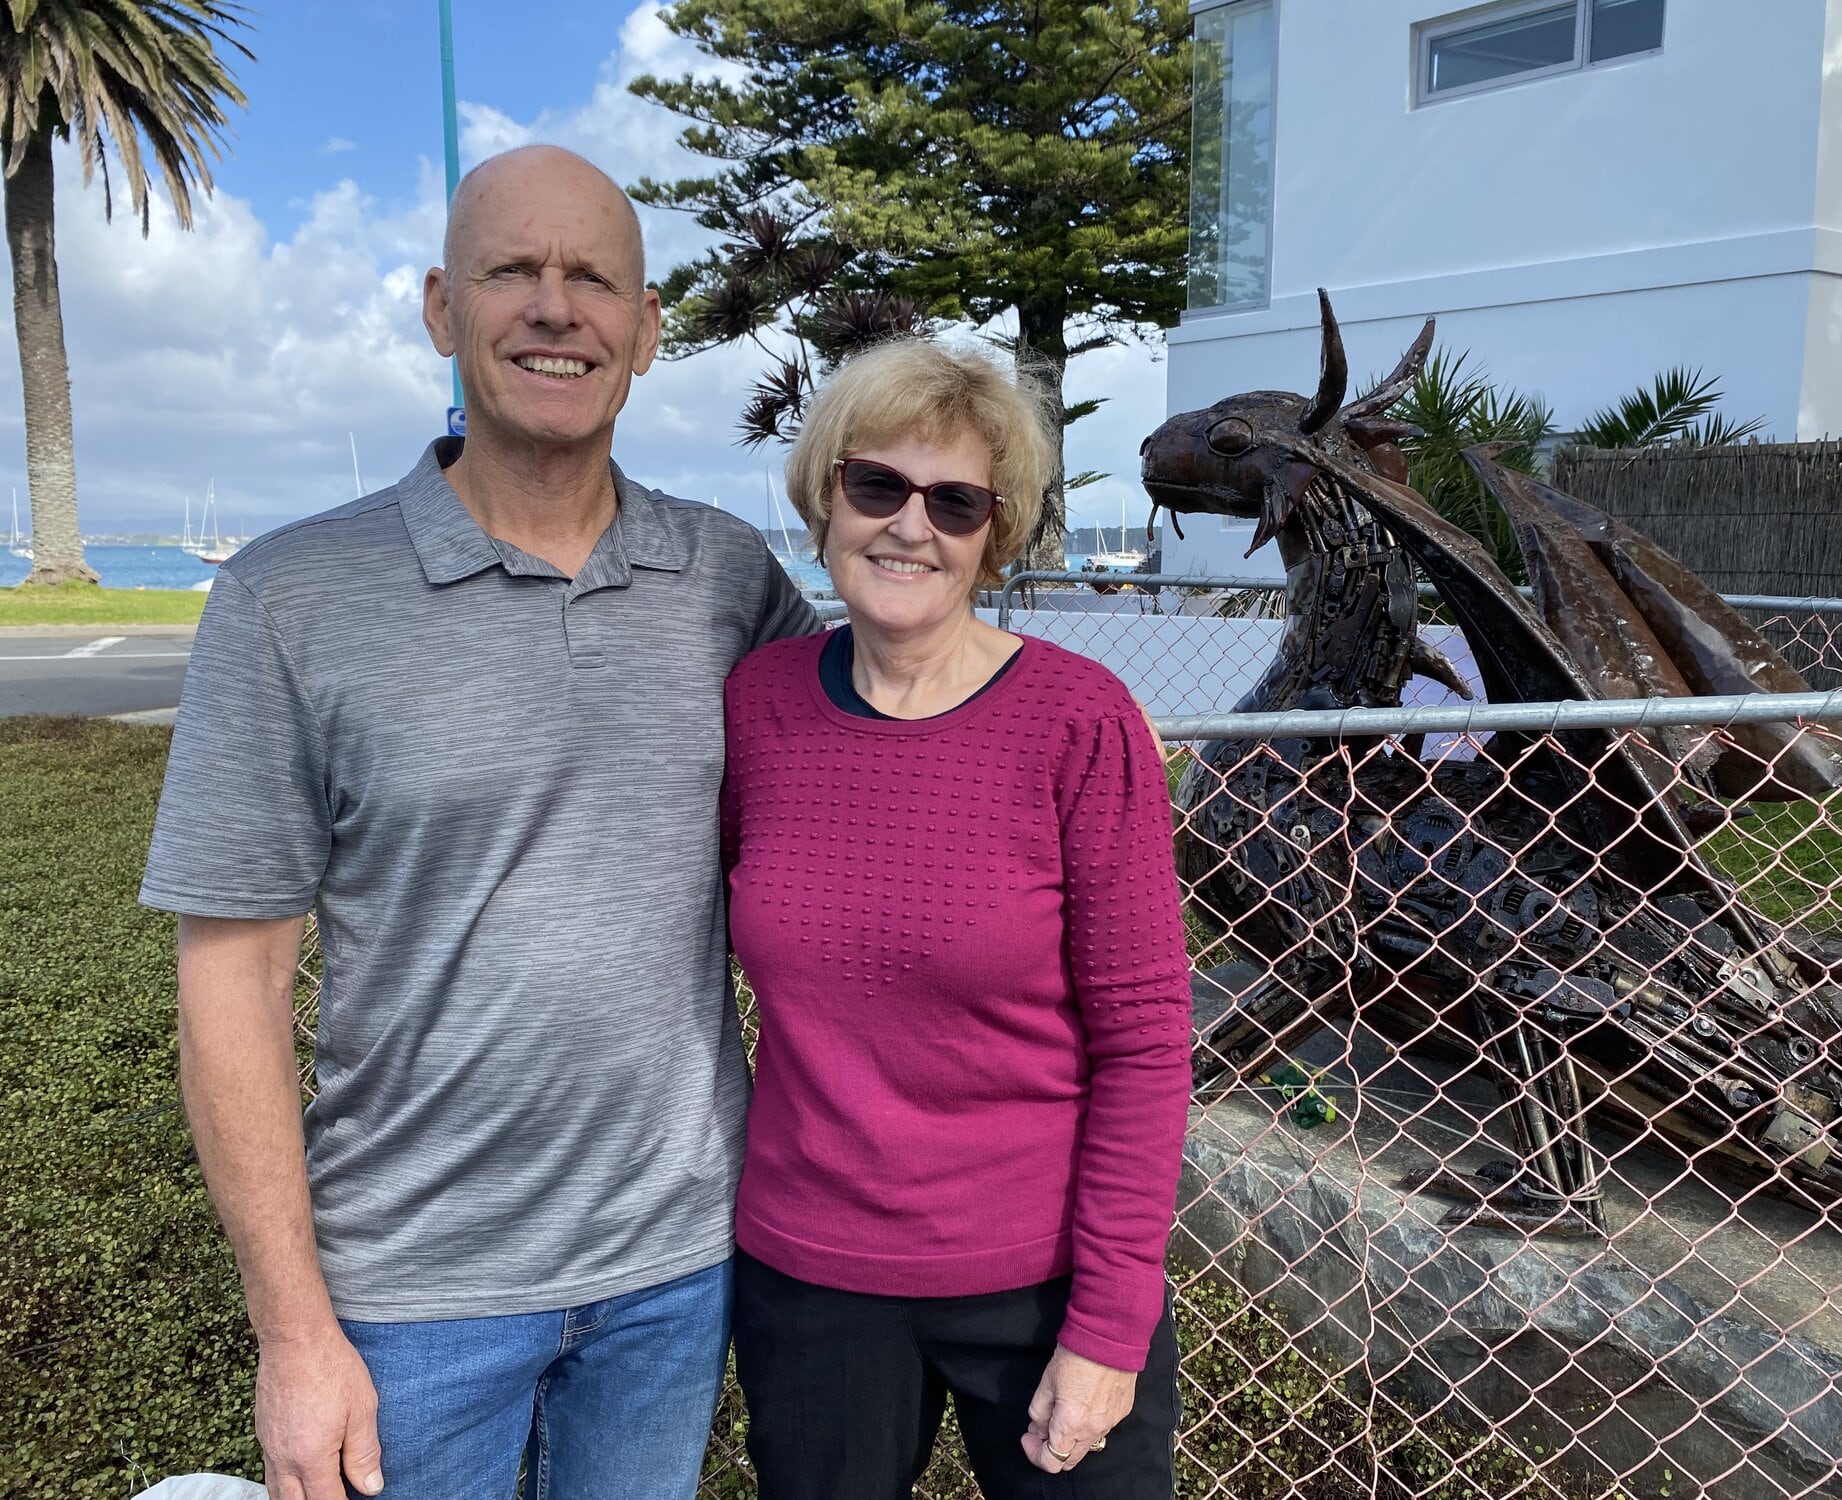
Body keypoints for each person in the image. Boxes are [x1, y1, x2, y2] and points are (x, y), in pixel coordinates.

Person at [141, 145, 819, 1500]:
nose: (555, 309)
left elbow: (871, 765)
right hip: (410, 1288)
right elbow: (233, 982)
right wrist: (293, 1333)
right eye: (514, 270)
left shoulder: (727, 580)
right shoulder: (290, 599)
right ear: (442, 309)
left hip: (675, 1269)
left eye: (594, 280)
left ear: (647, 332)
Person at [721, 338, 1194, 1500]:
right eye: (874, 485)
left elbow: (1143, 1040)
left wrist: (1109, 1323)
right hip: (811, 1280)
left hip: (1034, 1291)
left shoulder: (1079, 723)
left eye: (955, 502)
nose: (907, 527)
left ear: (996, 530)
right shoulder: (757, 707)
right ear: (825, 497)